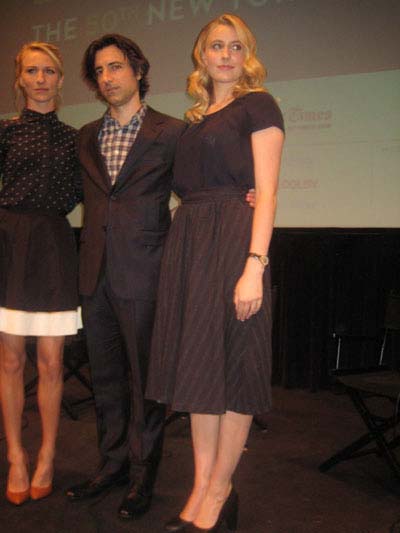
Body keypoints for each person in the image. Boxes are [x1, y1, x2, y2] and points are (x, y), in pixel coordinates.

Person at [146, 13, 285, 532]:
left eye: (236, 46)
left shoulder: (259, 105)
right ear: (201, 56)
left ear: (246, 55)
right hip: (192, 244)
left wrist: (254, 266)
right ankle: (201, 488)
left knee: (235, 371)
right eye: (216, 46)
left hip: (234, 244)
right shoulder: (195, 120)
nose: (225, 54)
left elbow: (267, 191)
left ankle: (222, 489)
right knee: (199, 370)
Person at [65, 34, 187, 519]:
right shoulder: (84, 136)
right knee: (108, 381)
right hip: (94, 275)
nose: (108, 77)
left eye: (116, 67)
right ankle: (111, 465)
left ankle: (142, 476)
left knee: (145, 384)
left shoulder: (172, 132)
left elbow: (196, 192)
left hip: (145, 274)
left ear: (138, 70)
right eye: (99, 71)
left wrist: (241, 198)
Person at [0, 42, 81, 505]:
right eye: (32, 70)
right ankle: (16, 455)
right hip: (10, 243)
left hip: (53, 245)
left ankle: (47, 454)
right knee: (11, 361)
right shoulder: (6, 132)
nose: (41, 78)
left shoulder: (75, 137)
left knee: (51, 362)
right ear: (21, 79)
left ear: (60, 79)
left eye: (49, 70)